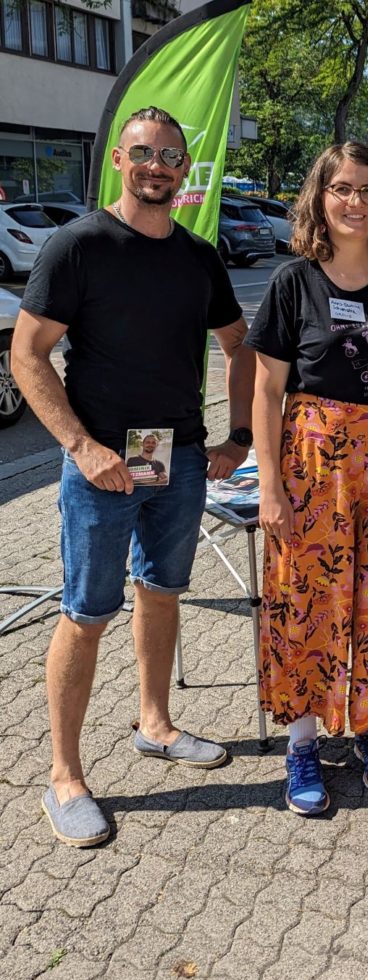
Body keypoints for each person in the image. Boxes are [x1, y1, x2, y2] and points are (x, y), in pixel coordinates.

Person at [11, 106, 254, 848]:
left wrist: (236, 435)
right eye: (144, 152)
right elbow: (27, 356)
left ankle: (155, 724)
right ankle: (65, 776)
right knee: (88, 610)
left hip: (178, 458)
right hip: (102, 466)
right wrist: (82, 447)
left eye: (171, 156)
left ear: (185, 170)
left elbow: (237, 344)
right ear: (119, 159)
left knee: (163, 592)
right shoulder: (77, 247)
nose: (158, 165)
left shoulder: (198, 255)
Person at [246, 142, 368, 812]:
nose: (356, 201)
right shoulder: (294, 282)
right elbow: (266, 393)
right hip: (311, 466)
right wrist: (268, 485)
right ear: (320, 197)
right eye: (342, 188)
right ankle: (301, 743)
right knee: (302, 602)